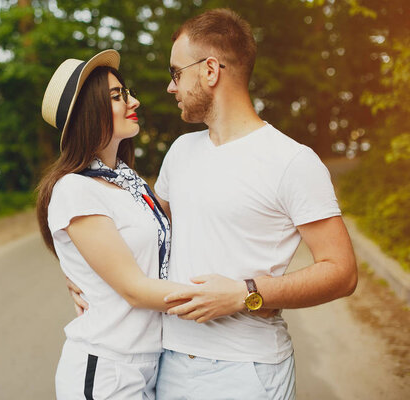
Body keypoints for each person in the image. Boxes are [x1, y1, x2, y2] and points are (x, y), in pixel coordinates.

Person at [148, 8, 358, 399]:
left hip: (246, 371)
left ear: (210, 70)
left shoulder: (292, 162)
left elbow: (342, 272)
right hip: (169, 361)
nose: (171, 87)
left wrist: (246, 293)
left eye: (177, 73)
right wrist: (89, 284)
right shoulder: (180, 151)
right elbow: (151, 236)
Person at [37, 50, 203, 399]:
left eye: (125, 92)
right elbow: (135, 289)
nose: (134, 100)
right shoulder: (74, 189)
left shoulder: (128, 181)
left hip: (149, 362)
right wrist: (231, 297)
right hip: (107, 368)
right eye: (118, 96)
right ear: (88, 111)